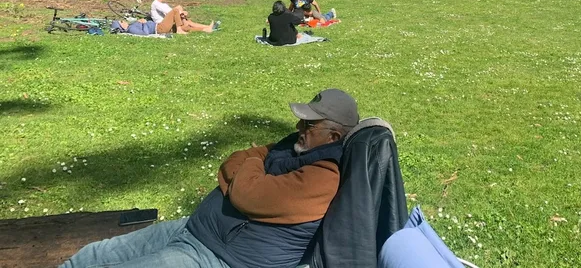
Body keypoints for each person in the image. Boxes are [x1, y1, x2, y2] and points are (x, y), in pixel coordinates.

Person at [60, 89, 359, 268]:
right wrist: (249, 171)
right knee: (92, 254)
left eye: (309, 123)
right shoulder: (299, 143)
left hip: (218, 257)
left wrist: (251, 167)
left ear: (333, 135)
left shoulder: (324, 176)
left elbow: (248, 191)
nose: (299, 125)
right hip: (194, 229)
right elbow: (234, 160)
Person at [150, 0, 217, 34]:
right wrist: (180, 12)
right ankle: (179, 29)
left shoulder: (163, 4)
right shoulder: (155, 3)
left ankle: (206, 28)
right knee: (177, 9)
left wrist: (181, 14)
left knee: (186, 27)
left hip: (168, 24)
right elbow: (171, 12)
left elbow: (171, 12)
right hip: (161, 26)